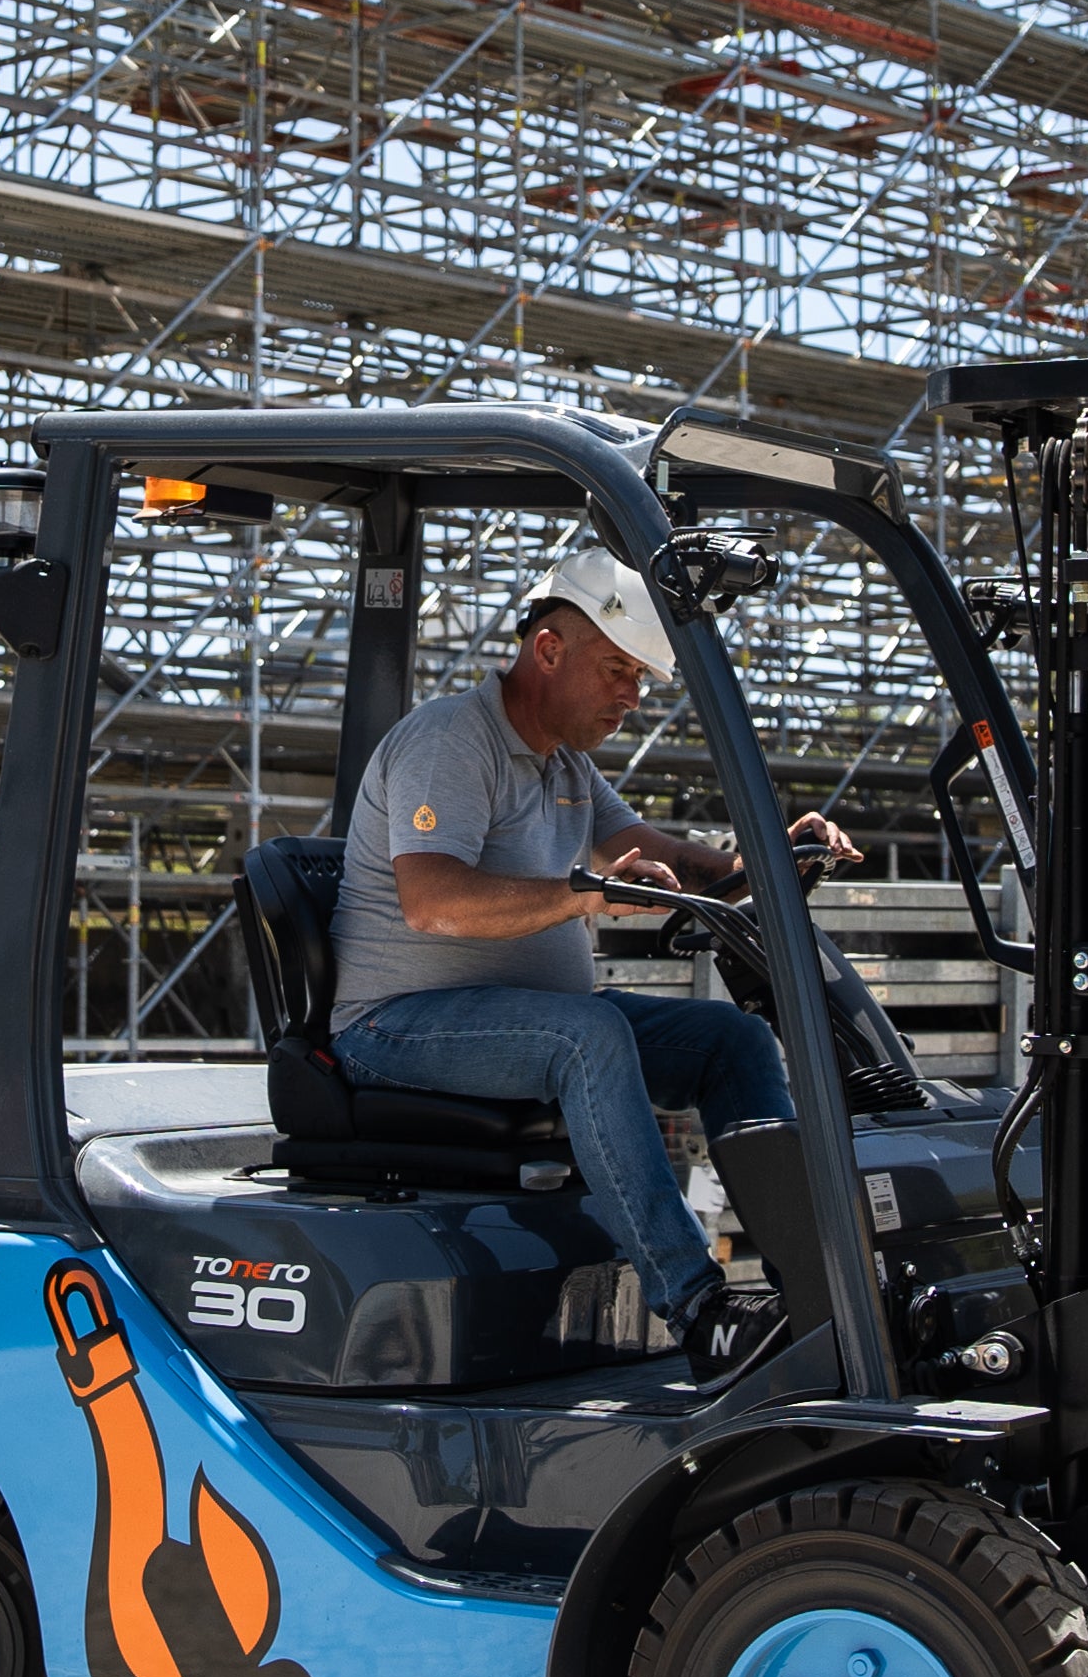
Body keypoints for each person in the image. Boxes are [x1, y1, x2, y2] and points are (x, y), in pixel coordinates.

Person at [322, 542, 858, 1363]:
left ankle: (819, 1281)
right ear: (547, 650)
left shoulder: (565, 765)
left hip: (533, 1022)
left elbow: (670, 861)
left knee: (732, 1039)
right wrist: (584, 892)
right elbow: (432, 903)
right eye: (617, 670)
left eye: (639, 679)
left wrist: (773, 860)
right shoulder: (449, 742)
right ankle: (697, 1305)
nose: (631, 696)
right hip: (396, 1027)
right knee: (589, 1036)